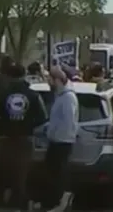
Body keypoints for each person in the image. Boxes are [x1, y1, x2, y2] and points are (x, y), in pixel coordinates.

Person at [0, 61, 48, 210]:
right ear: (25, 75)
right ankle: (19, 205)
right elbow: (43, 117)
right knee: (21, 176)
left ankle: (1, 204)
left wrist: (1, 126)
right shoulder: (33, 95)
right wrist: (28, 126)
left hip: (4, 140)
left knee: (2, 175)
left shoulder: (1, 95)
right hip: (24, 141)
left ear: (9, 76)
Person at [41, 66, 79, 211]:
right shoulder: (61, 96)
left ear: (57, 80)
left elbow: (68, 121)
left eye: (50, 79)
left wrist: (57, 133)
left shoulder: (68, 98)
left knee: (57, 173)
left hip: (62, 141)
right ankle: (51, 201)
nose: (48, 82)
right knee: (52, 172)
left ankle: (59, 201)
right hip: (56, 139)